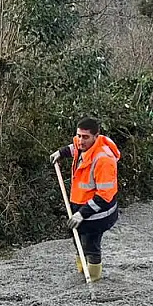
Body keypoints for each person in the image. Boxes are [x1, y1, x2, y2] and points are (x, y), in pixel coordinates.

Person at [49, 118, 120, 280]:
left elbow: (104, 196)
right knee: (77, 238)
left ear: (96, 136)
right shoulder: (83, 146)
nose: (80, 140)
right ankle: (83, 271)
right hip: (79, 204)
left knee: (91, 244)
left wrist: (82, 214)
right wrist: (61, 152)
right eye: (79, 135)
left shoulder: (104, 160)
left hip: (99, 212)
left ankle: (93, 277)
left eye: (85, 137)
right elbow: (75, 149)